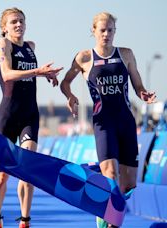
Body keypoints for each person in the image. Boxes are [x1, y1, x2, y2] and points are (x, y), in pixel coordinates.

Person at [60, 12, 156, 228]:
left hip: (126, 121)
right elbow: (65, 82)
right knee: (111, 175)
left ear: (115, 31)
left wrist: (144, 94)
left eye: (110, 30)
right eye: (102, 30)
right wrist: (71, 96)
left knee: (129, 183)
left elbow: (138, 86)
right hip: (103, 123)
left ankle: (100, 190)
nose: (106, 34)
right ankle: (109, 221)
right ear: (93, 31)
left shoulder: (126, 54)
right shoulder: (84, 58)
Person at [0, 8, 63, 228]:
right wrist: (37, 72)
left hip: (29, 114)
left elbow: (32, 73)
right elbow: (7, 74)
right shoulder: (3, 45)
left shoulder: (31, 47)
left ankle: (25, 219)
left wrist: (47, 75)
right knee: (3, 174)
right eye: (13, 22)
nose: (18, 25)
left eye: (21, 21)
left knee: (28, 168)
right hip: (9, 114)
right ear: (4, 27)